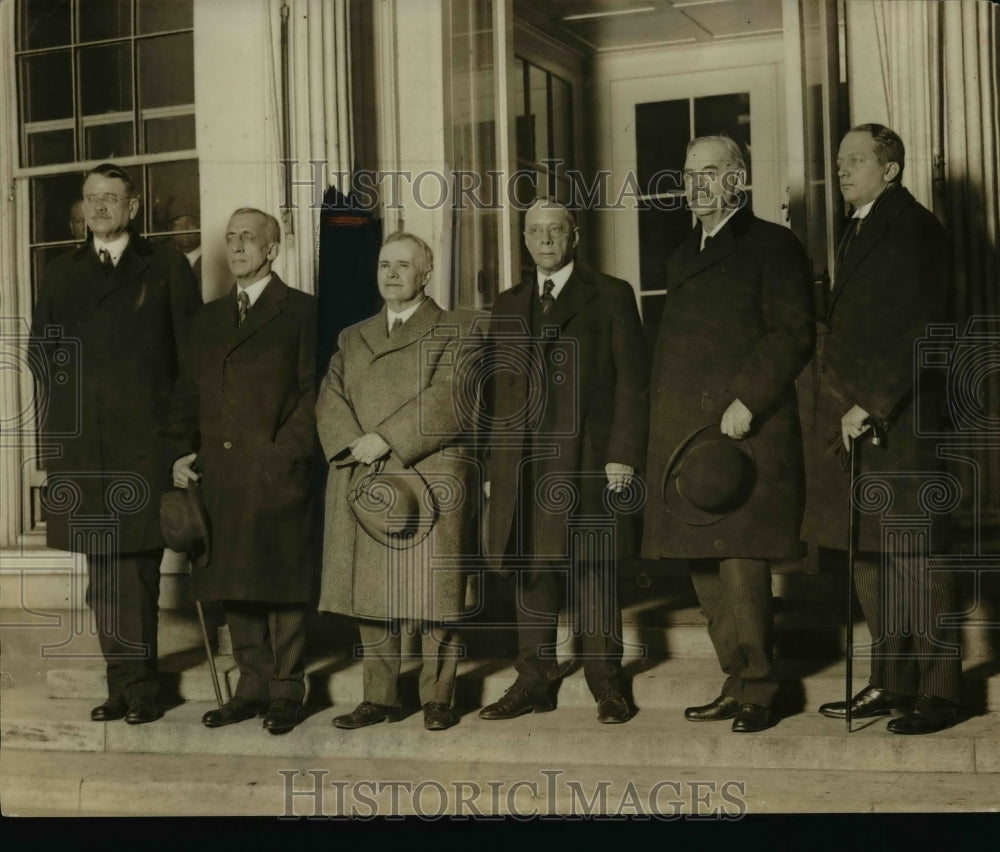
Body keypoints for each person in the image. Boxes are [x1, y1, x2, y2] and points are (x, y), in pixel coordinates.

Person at [642, 136, 814, 733]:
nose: (696, 184)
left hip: (745, 428)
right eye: (689, 173)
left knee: (740, 560)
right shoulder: (683, 252)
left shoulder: (773, 244)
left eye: (710, 173)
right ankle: (736, 678)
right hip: (688, 434)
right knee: (702, 561)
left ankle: (761, 688)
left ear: (738, 181)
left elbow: (792, 333)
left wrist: (749, 399)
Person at [30, 162, 202, 724]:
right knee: (101, 574)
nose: (100, 208)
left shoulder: (167, 266)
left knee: (135, 571)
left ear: (133, 207)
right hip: (84, 452)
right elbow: (44, 359)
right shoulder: (60, 273)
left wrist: (180, 443)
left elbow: (192, 364)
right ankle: (121, 685)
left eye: (111, 198)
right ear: (82, 209)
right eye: (91, 199)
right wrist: (56, 449)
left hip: (144, 448)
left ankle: (141, 687)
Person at [807, 124, 962, 735]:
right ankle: (890, 681)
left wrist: (869, 402)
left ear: (891, 169)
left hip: (900, 422)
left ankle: (942, 693)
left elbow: (922, 328)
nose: (842, 170)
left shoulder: (916, 229)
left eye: (855, 160)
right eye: (840, 160)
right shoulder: (861, 227)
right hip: (861, 421)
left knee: (915, 558)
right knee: (870, 557)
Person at [478, 198, 650, 725]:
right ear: (525, 239)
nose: (545, 240)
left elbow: (633, 385)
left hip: (587, 458)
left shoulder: (611, 294)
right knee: (530, 569)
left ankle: (606, 680)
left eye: (555, 230)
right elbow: (491, 391)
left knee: (593, 569)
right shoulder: (508, 304)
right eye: (535, 231)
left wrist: (622, 456)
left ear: (574, 236)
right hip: (521, 463)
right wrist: (490, 468)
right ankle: (535, 679)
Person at [316, 232, 479, 732]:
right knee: (373, 593)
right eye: (384, 263)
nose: (390, 273)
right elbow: (329, 399)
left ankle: (438, 697)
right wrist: (355, 444)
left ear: (425, 274)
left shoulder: (458, 329)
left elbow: (453, 397)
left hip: (427, 473)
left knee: (435, 595)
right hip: (366, 474)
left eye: (403, 265)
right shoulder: (352, 336)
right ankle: (379, 697)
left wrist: (386, 437)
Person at [167, 208, 317, 735]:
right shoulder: (207, 319)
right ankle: (250, 687)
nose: (235, 247)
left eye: (247, 239)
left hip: (277, 471)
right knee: (236, 582)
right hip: (221, 474)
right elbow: (187, 395)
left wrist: (282, 456)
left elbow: (314, 396)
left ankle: (285, 690)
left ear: (272, 249)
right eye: (230, 239)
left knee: (282, 583)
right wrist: (181, 453)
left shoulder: (301, 312)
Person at [170, 213, 202, 286]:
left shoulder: (211, 258)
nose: (184, 229)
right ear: (170, 229)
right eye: (177, 224)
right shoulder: (165, 260)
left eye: (191, 222)